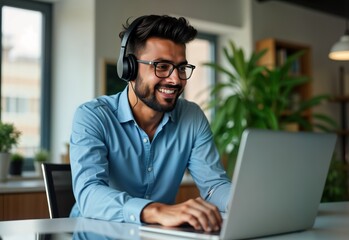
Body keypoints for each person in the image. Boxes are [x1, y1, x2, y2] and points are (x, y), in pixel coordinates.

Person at [69, 14, 231, 232]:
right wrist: (156, 210)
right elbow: (89, 194)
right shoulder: (92, 116)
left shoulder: (191, 117)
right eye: (162, 66)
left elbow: (214, 186)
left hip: (155, 234)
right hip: (94, 232)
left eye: (181, 68)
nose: (175, 80)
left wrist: (250, 204)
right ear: (130, 69)